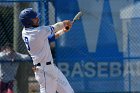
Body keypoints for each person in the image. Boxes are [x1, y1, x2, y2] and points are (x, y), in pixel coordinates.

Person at [19, 8, 74, 93]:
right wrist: (65, 23)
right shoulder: (38, 31)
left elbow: (48, 39)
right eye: (34, 18)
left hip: (50, 68)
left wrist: (63, 31)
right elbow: (56, 27)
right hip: (44, 71)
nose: (37, 19)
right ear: (28, 22)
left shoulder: (25, 31)